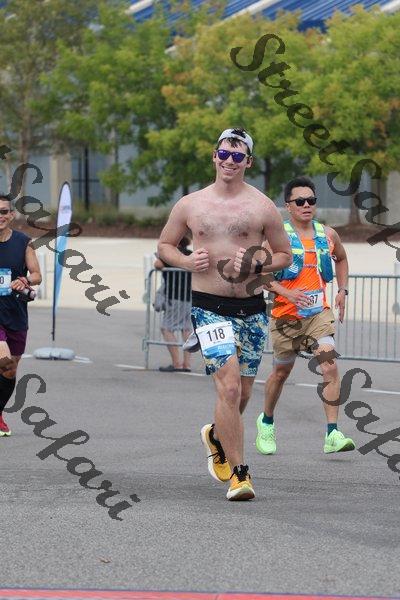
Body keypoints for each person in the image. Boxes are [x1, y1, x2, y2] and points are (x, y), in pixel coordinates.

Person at [157, 128, 292, 501]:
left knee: (243, 392)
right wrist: (187, 261)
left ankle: (216, 436)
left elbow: (284, 255)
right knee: (229, 387)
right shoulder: (190, 204)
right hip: (208, 306)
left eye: (237, 156)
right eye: (224, 154)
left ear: (248, 161)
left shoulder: (262, 207)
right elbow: (165, 245)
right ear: (214, 157)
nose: (229, 161)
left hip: (251, 309)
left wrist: (257, 263)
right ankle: (240, 475)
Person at [256, 176, 355, 455]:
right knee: (281, 373)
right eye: (299, 201)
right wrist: (286, 293)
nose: (306, 205)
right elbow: (260, 274)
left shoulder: (328, 234)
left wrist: (342, 290)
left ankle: (332, 433)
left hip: (318, 314)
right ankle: (266, 421)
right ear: (288, 206)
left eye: (311, 200)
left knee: (329, 365)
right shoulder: (277, 238)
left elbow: (341, 258)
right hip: (285, 318)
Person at [0, 193, 42, 436]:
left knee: (10, 370)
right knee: (3, 360)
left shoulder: (23, 242)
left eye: (4, 211)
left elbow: (37, 274)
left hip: (15, 313)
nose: (0, 216)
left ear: (12, 215)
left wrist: (25, 280)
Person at [154, 236, 192, 372]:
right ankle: (187, 364)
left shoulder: (170, 255)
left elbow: (157, 265)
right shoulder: (190, 255)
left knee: (166, 328)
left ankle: (177, 363)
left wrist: (162, 258)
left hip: (174, 297)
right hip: (190, 298)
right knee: (186, 329)